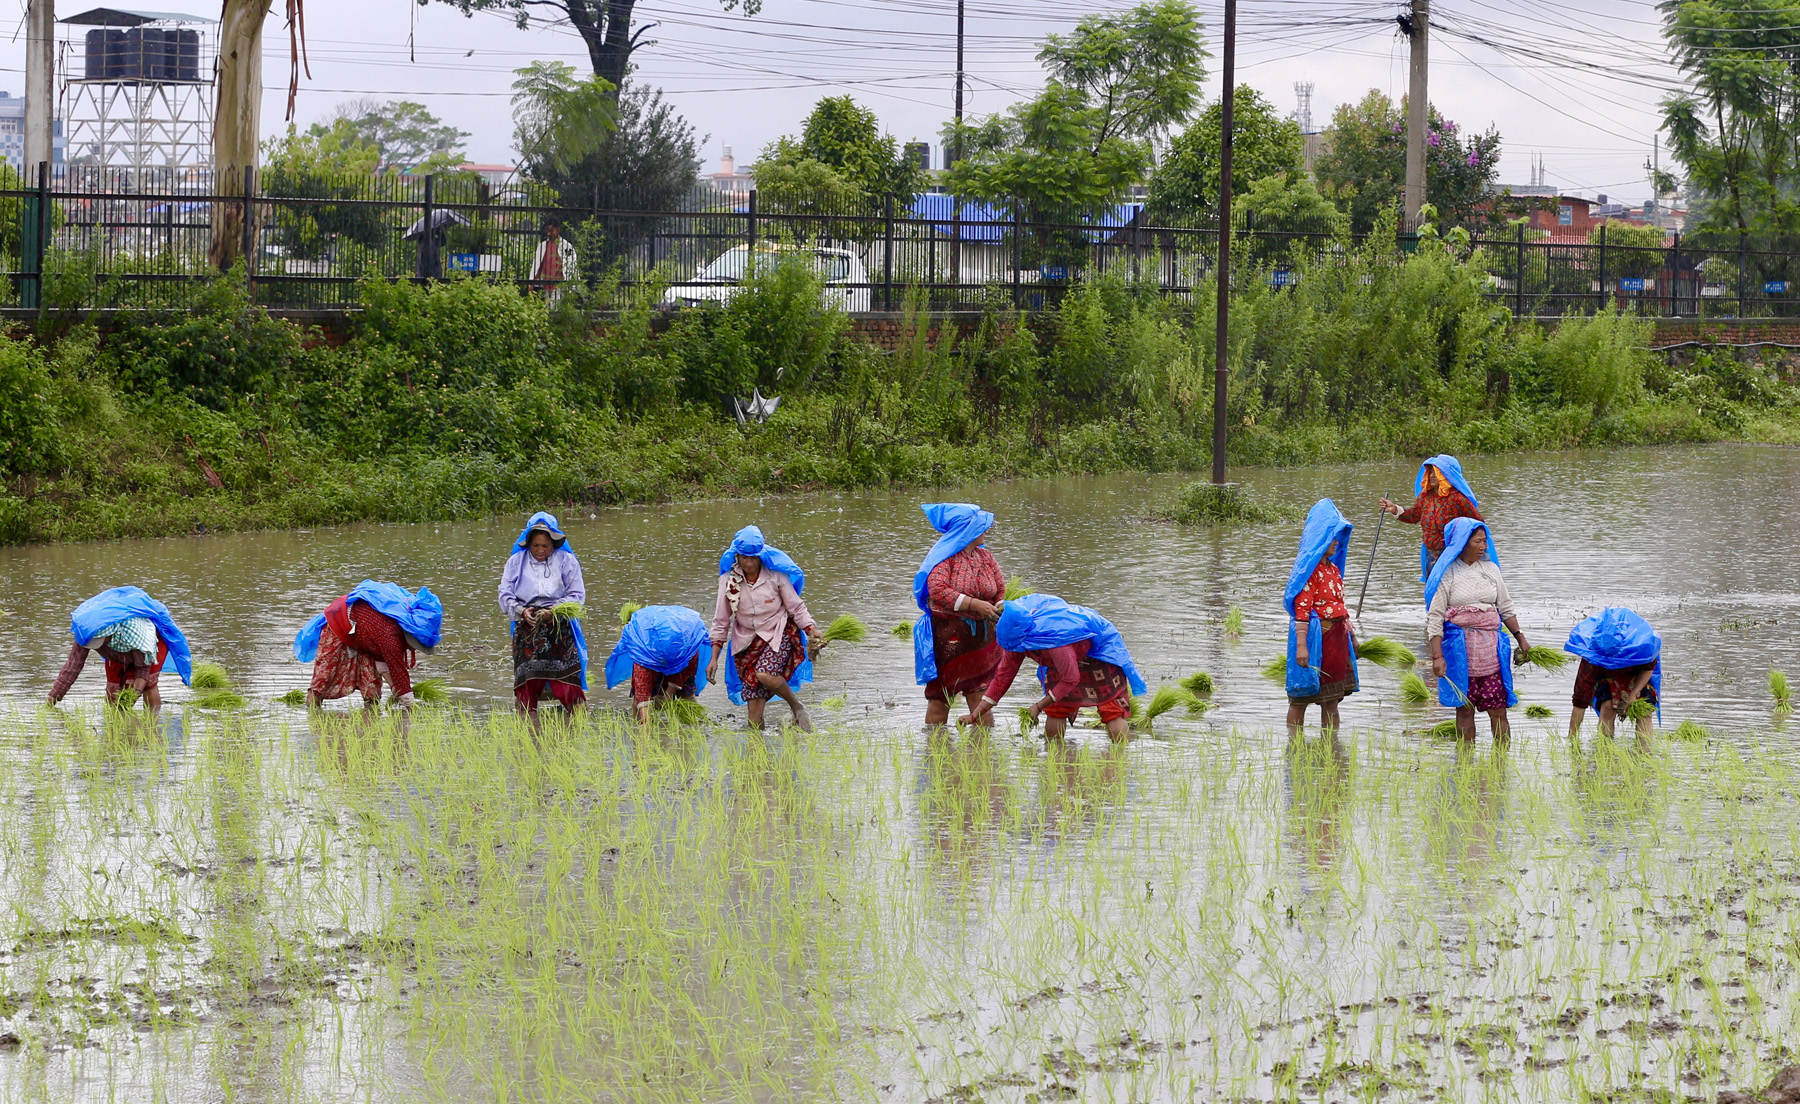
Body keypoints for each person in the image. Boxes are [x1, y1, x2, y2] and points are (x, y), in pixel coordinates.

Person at [958, 593, 1147, 743]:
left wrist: (1038, 707)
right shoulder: (1016, 639)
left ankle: (1121, 761)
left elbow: (1071, 678)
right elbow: (1002, 679)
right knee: (1057, 708)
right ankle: (1055, 760)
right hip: (1060, 661)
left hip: (1098, 653)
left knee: (1110, 709)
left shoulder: (1055, 640)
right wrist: (974, 715)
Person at [1426, 518, 1532, 741]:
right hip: (1459, 652)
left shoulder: (1491, 569)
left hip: (1490, 652)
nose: (1483, 546)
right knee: (1464, 709)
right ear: (1463, 543)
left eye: (1485, 541)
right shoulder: (1447, 573)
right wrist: (1437, 656)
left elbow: (1505, 606)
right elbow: (1435, 617)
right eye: (1478, 541)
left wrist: (1520, 637)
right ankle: (1465, 762)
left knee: (1498, 709)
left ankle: (1501, 763)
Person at [707, 525, 819, 732]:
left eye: (753, 558)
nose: (749, 563)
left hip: (778, 632)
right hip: (746, 643)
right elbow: (721, 621)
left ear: (760, 556)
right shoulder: (728, 582)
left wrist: (810, 629)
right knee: (754, 715)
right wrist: (713, 658)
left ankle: (797, 706)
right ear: (736, 556)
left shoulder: (776, 576)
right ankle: (757, 755)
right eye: (744, 557)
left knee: (765, 674)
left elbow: (796, 606)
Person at [912, 502, 1006, 728]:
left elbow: (1000, 587)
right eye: (980, 527)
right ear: (967, 530)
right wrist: (975, 605)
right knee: (941, 696)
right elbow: (938, 591)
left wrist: (999, 606)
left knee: (981, 694)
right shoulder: (945, 559)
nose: (985, 531)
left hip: (981, 636)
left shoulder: (985, 557)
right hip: (950, 636)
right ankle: (936, 751)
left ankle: (984, 754)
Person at [294, 581, 444, 711]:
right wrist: (412, 707)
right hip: (340, 625)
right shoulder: (390, 635)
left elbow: (384, 666)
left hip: (365, 637)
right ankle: (313, 718)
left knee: (372, 692)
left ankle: (369, 726)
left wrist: (396, 691)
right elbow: (398, 670)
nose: (415, 649)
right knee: (322, 682)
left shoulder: (395, 630)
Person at [498, 511, 588, 715]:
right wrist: (521, 611)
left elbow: (576, 595)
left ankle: (578, 729)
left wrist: (554, 611)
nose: (540, 550)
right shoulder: (516, 562)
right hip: (527, 627)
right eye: (535, 545)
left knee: (568, 685)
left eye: (545, 546)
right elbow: (505, 593)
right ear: (528, 542)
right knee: (526, 685)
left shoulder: (566, 560)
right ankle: (529, 731)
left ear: (553, 543)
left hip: (558, 628)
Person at [48, 586, 194, 711]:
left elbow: (142, 669)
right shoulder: (86, 632)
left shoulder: (136, 636)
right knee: (113, 688)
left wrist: (132, 696)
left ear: (109, 634)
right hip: (116, 654)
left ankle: (152, 723)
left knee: (149, 684)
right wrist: (52, 698)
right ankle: (115, 725)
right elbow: (72, 667)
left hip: (150, 645)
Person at [1285, 500, 1360, 738]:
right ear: (1319, 539)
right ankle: (1294, 748)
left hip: (1337, 639)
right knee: (1301, 700)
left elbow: (1341, 607)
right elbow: (1303, 610)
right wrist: (1301, 647)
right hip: (1317, 640)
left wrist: (1354, 639)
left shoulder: (1334, 570)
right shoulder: (1310, 572)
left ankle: (1332, 750)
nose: (1336, 542)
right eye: (1331, 536)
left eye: (1338, 537)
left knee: (1332, 700)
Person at [1380, 454, 1485, 581]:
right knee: (1435, 592)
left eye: (1435, 472)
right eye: (1430, 472)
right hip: (1431, 554)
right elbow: (1413, 516)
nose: (1431, 476)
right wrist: (1394, 509)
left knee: (1454, 590)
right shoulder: (1425, 497)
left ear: (1446, 475)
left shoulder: (1458, 498)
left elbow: (1477, 523)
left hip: (1453, 555)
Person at [605, 605, 712, 724]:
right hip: (650, 650)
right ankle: (637, 726)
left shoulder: (687, 648)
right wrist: (644, 734)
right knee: (639, 701)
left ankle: (693, 726)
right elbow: (642, 692)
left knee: (687, 697)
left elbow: (685, 673)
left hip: (680, 651)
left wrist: (668, 695)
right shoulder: (643, 656)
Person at [1565, 607, 1661, 739]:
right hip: (1608, 678)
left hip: (1636, 673)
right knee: (1608, 707)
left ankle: (1644, 753)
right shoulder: (1591, 661)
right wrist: (1572, 740)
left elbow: (1648, 668)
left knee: (1644, 711)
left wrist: (1633, 694)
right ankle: (1606, 749)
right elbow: (1579, 702)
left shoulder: (1640, 647)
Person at [531, 221, 578, 305]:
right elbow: (537, 265)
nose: (548, 233)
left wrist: (572, 286)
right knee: (547, 307)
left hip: (560, 285)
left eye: (551, 231)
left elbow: (572, 266)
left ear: (558, 229)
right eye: (547, 231)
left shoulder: (566, 246)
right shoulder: (542, 246)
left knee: (555, 307)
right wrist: (531, 282)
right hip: (546, 284)